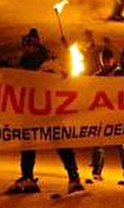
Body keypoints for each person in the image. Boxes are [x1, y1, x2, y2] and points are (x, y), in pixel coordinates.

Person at [7, 29, 83, 194]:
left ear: (33, 45)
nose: (26, 49)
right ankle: (31, 177)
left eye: (27, 46)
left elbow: (25, 81)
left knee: (52, 142)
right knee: (34, 143)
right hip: (40, 109)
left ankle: (71, 178)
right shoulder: (38, 60)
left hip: (43, 109)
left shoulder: (40, 61)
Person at [90, 48, 124, 181]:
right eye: (104, 60)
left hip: (118, 114)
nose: (107, 62)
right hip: (102, 114)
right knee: (99, 143)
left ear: (113, 60)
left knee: (122, 142)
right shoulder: (97, 76)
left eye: (109, 59)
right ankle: (96, 170)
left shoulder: (120, 73)